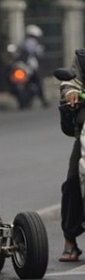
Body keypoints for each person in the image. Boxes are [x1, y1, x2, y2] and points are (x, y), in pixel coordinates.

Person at [59, 51, 85, 262]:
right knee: (73, 180)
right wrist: (71, 93)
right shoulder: (82, 58)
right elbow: (70, 82)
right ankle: (70, 238)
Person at [17, 24, 49, 107]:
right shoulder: (33, 44)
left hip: (24, 67)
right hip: (30, 68)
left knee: (29, 83)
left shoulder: (23, 42)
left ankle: (28, 101)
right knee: (38, 83)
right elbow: (39, 53)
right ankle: (43, 100)